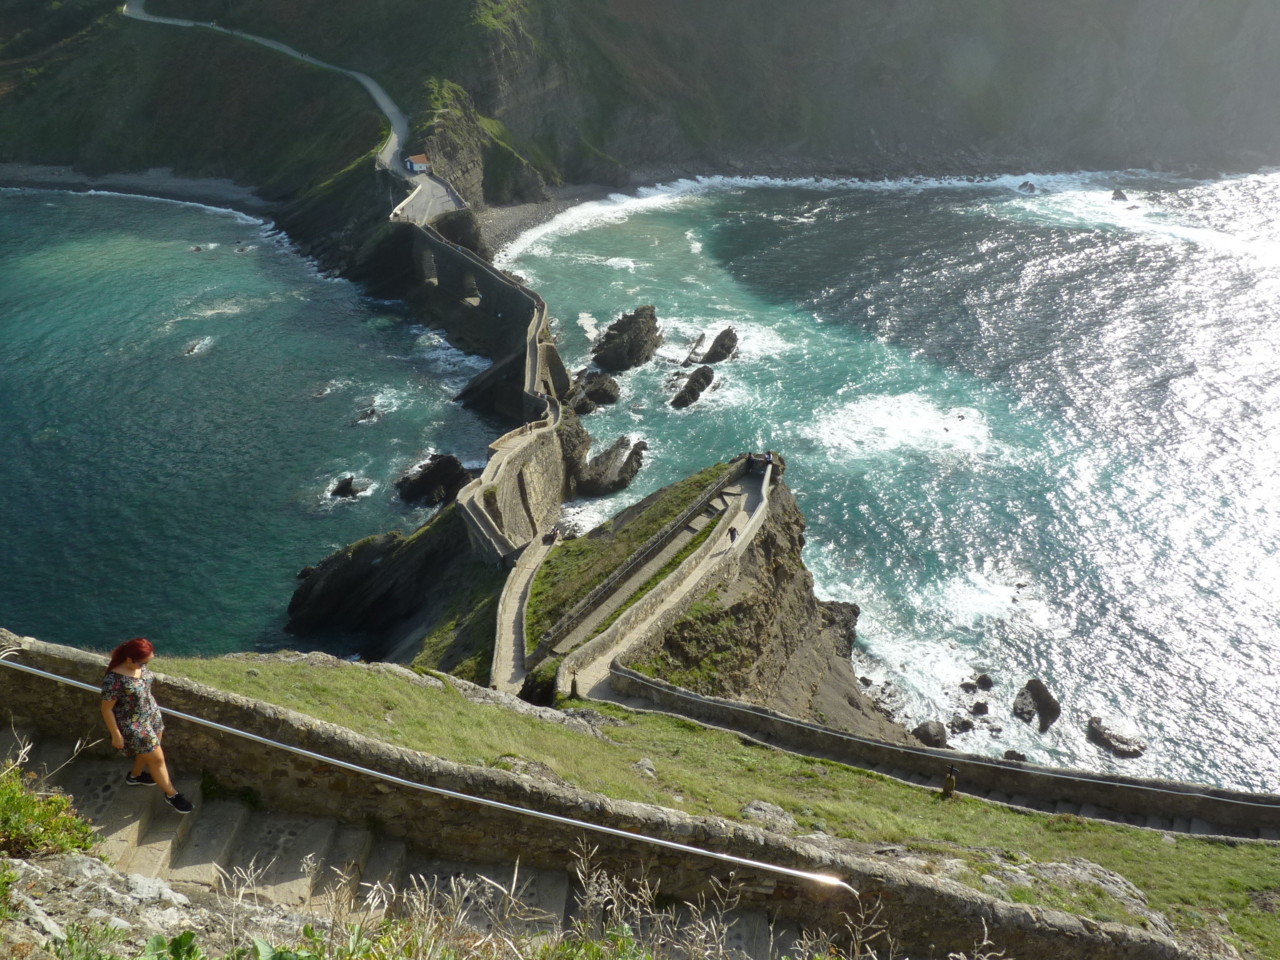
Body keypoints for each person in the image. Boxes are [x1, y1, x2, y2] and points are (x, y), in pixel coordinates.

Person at [99, 638, 194, 814]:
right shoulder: (114, 680)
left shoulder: (139, 666)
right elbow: (106, 709)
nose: (146, 665)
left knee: (148, 753)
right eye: (144, 662)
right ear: (130, 660)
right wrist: (116, 734)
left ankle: (135, 776)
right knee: (157, 759)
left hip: (151, 716)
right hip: (134, 724)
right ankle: (171, 794)